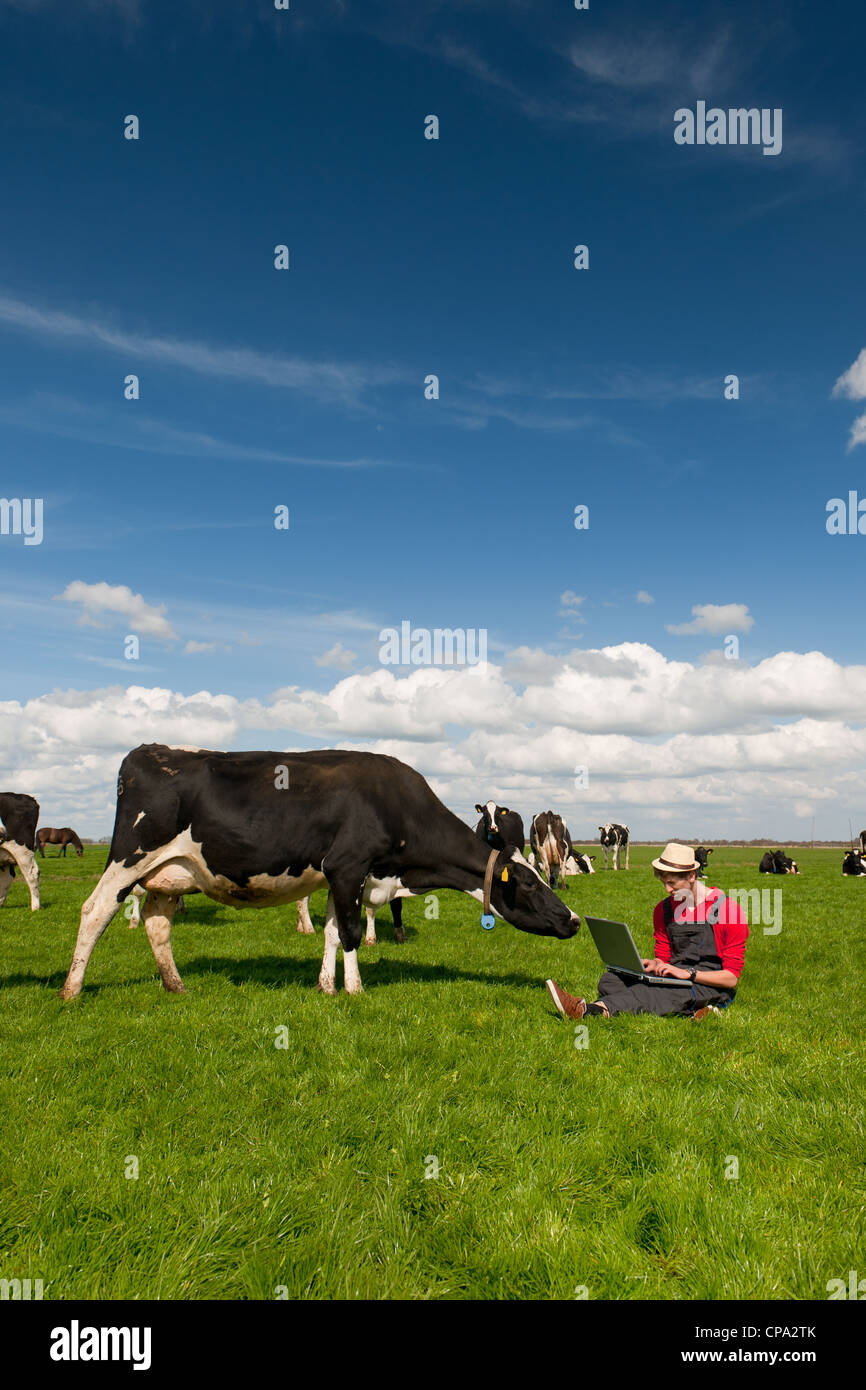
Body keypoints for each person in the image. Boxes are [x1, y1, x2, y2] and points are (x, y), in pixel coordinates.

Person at [546, 841, 748, 1021]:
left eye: (672, 883)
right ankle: (693, 1011)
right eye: (664, 883)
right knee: (612, 979)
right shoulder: (663, 910)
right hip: (675, 977)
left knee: (657, 992)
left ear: (692, 876)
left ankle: (592, 1011)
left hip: (709, 983)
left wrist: (689, 974)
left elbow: (731, 978)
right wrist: (655, 964)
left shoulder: (728, 911)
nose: (668, 890)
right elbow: (664, 958)